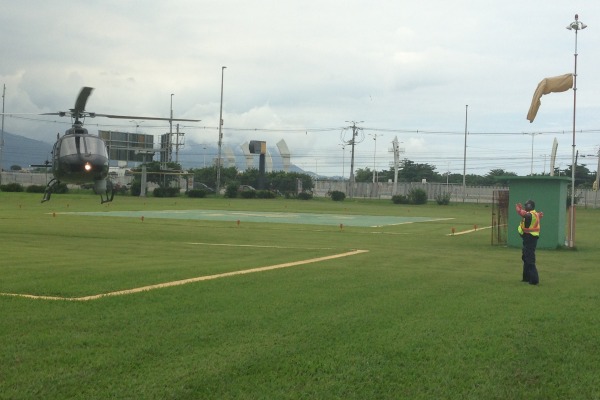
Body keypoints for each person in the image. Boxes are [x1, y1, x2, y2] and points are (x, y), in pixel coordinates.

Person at [515, 200, 543, 285]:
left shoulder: (531, 214)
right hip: (527, 237)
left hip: (531, 238)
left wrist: (519, 211)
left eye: (526, 205)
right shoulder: (534, 214)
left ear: (530, 206)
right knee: (525, 257)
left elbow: (527, 216)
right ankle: (526, 277)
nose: (525, 206)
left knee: (530, 258)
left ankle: (534, 280)